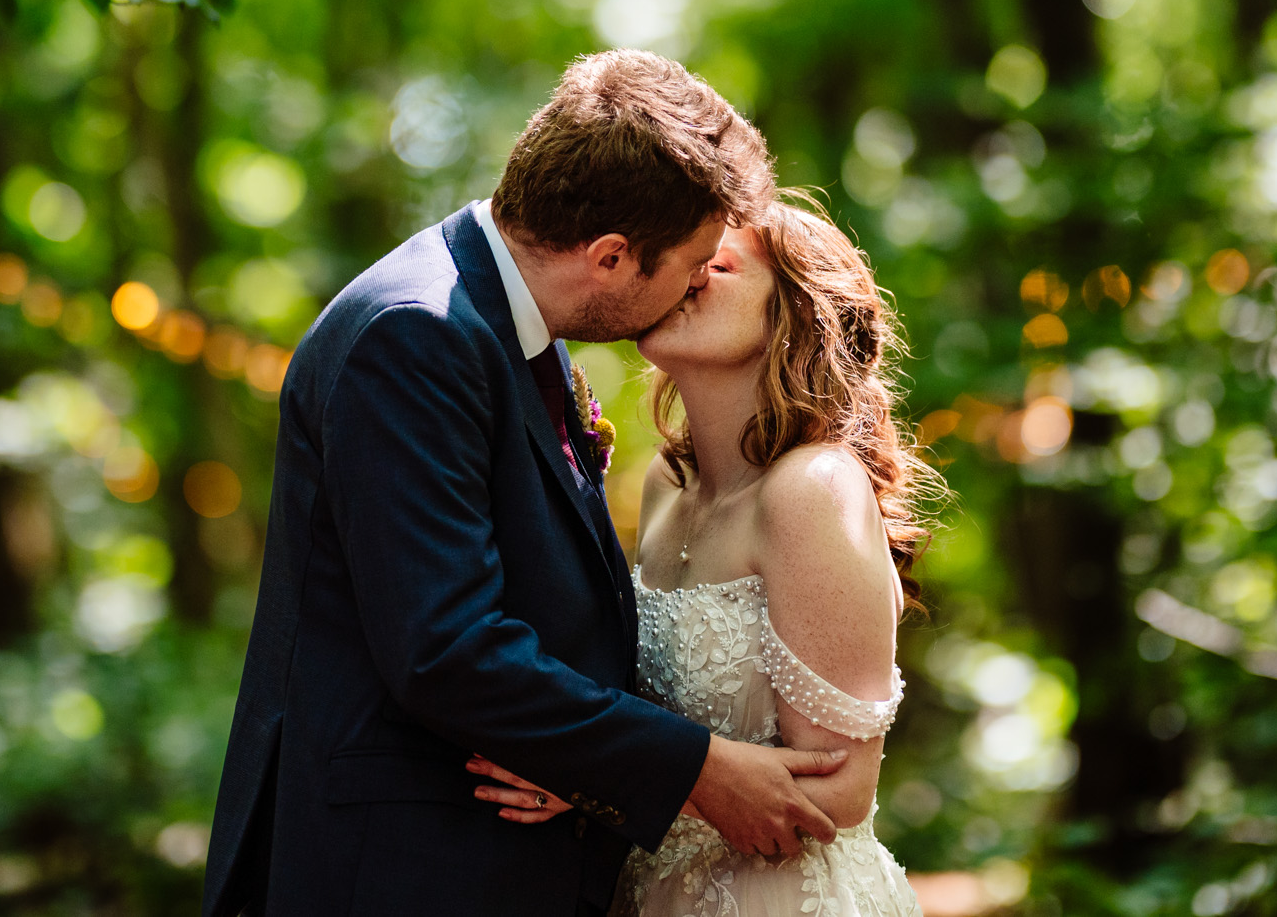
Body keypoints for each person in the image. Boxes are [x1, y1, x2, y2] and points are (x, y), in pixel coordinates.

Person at [201, 51, 854, 917]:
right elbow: (445, 646)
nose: (699, 282)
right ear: (615, 255)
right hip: (403, 871)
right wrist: (693, 769)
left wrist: (582, 771)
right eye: (692, 262)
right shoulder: (419, 334)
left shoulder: (497, 327)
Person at [466, 198, 935, 917]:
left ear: (793, 319)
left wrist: (597, 782)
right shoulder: (666, 485)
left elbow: (842, 792)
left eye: (714, 266)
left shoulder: (812, 488)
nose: (679, 277)